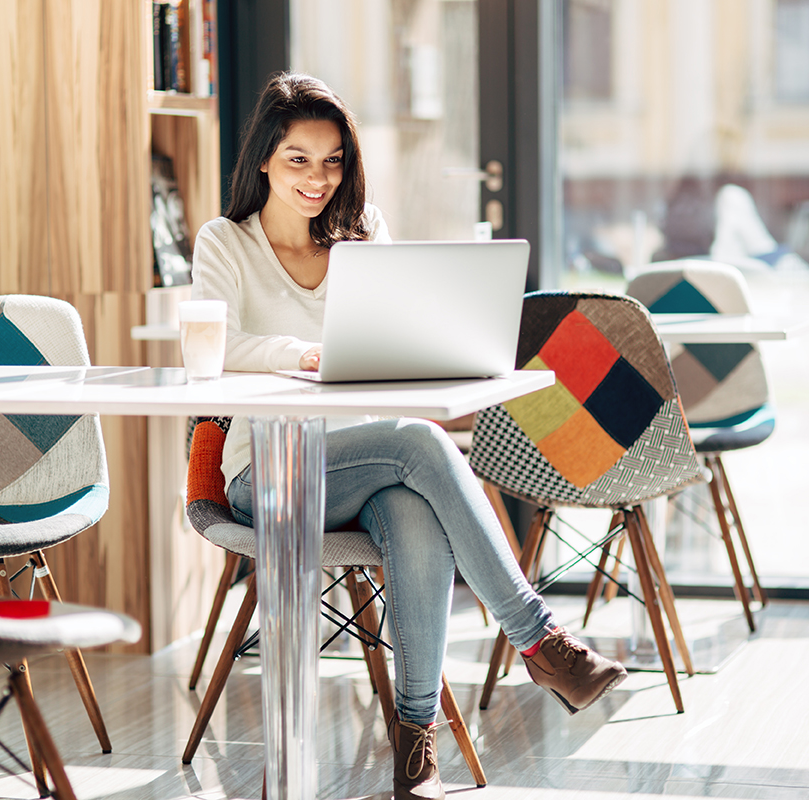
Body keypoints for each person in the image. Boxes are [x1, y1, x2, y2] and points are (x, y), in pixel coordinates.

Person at [192, 72, 627, 800]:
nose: (317, 178)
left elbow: (397, 346)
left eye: (332, 161)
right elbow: (215, 343)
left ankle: (415, 755)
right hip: (262, 475)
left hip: (367, 470)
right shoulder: (225, 242)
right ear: (264, 159)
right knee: (421, 445)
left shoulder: (363, 234)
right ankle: (541, 641)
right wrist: (300, 353)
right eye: (298, 158)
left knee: (416, 508)